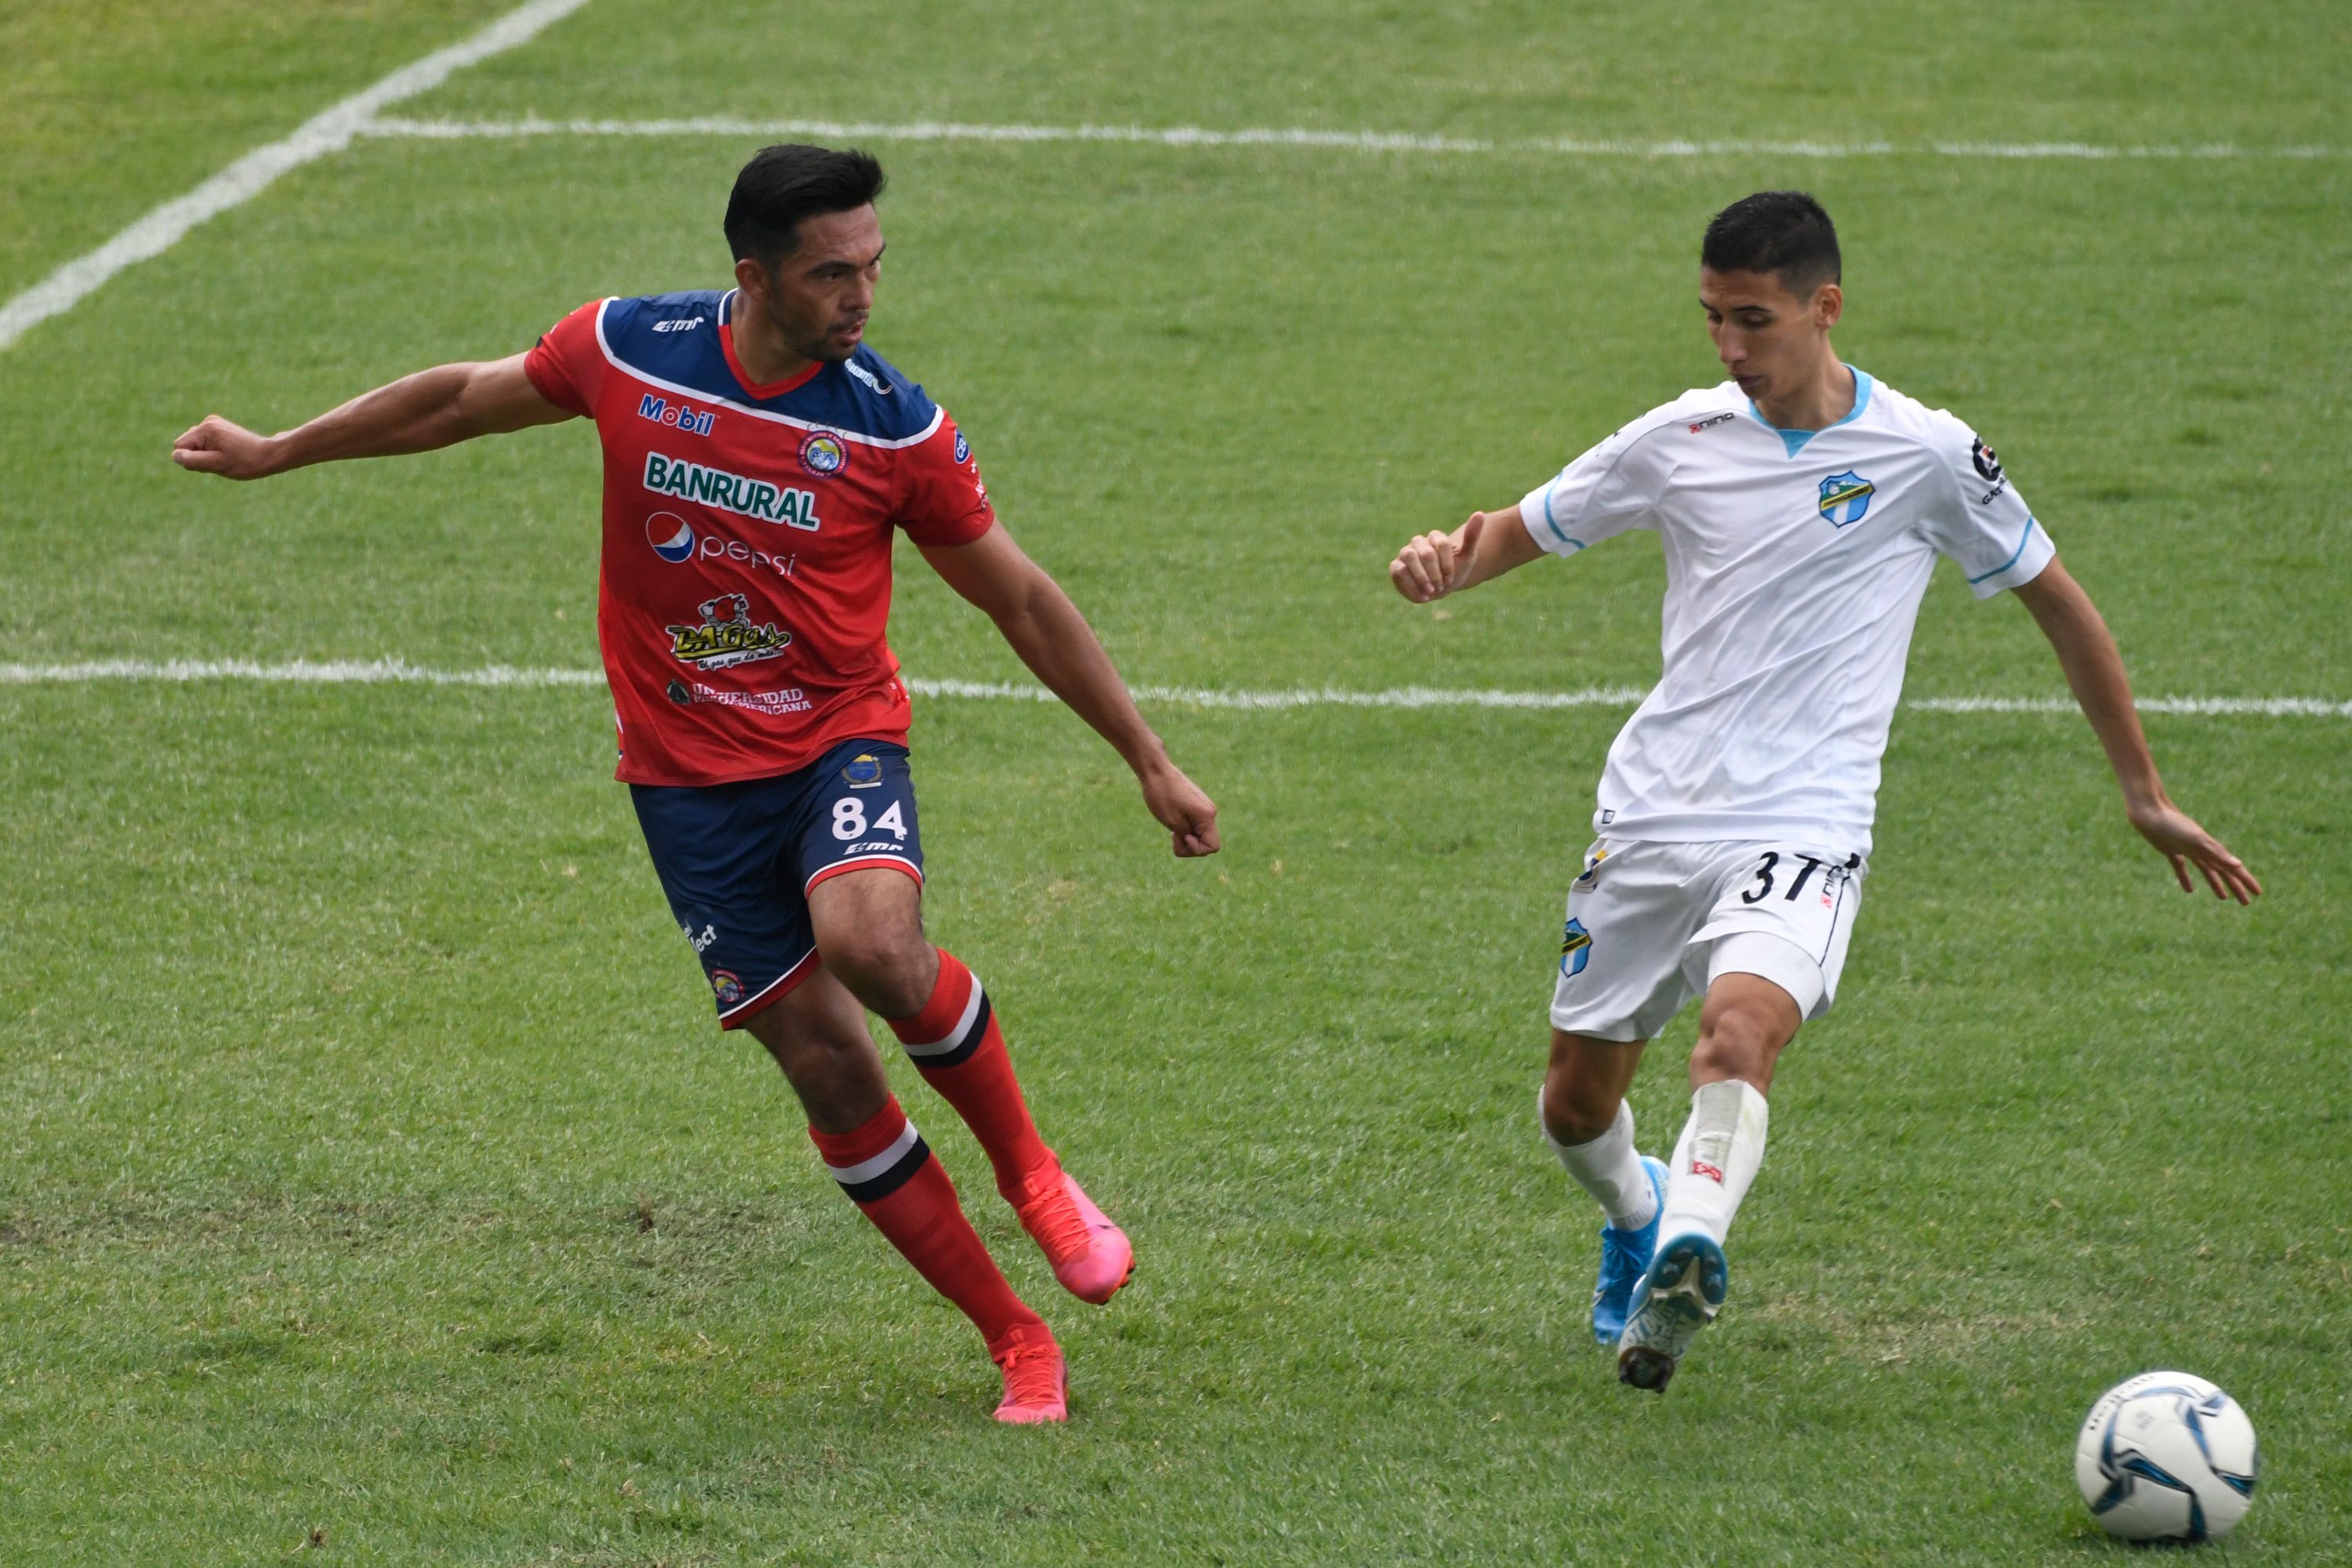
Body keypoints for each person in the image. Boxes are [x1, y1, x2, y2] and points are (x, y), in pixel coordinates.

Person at [172, 143, 1221, 1425]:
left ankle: (1035, 1176)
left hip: (835, 739)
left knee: (873, 942)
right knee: (829, 1069)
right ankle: (1015, 1338)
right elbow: (458, 402)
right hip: (685, 784)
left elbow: (1023, 600)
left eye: (874, 266)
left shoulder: (892, 426)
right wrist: (281, 451)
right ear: (754, 277)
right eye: (832, 274)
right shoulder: (629, 351)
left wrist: (1148, 758)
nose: (863, 297)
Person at [1385, 191, 2258, 1393]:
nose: (1730, 347)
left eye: (1753, 320)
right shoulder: (1679, 437)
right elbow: (1518, 529)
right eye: (1713, 319)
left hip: (1806, 821)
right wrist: (1440, 560)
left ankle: (1690, 1251)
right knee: (1575, 1109)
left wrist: (2142, 789)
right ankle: (1641, 1216)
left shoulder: (1927, 455)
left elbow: (2060, 601)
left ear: (1824, 306)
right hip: (1653, 814)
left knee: (1739, 1033)